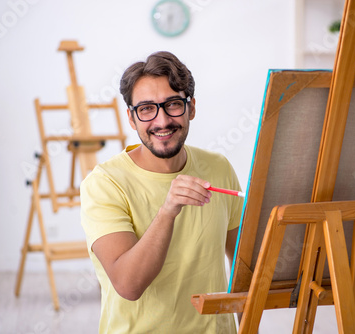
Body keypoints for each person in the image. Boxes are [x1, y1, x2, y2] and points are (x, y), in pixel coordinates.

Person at [80, 51, 243, 333]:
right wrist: (167, 211)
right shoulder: (105, 183)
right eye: (146, 109)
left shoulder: (218, 168)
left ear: (191, 108)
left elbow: (246, 265)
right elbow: (128, 285)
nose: (162, 121)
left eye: (173, 104)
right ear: (132, 119)